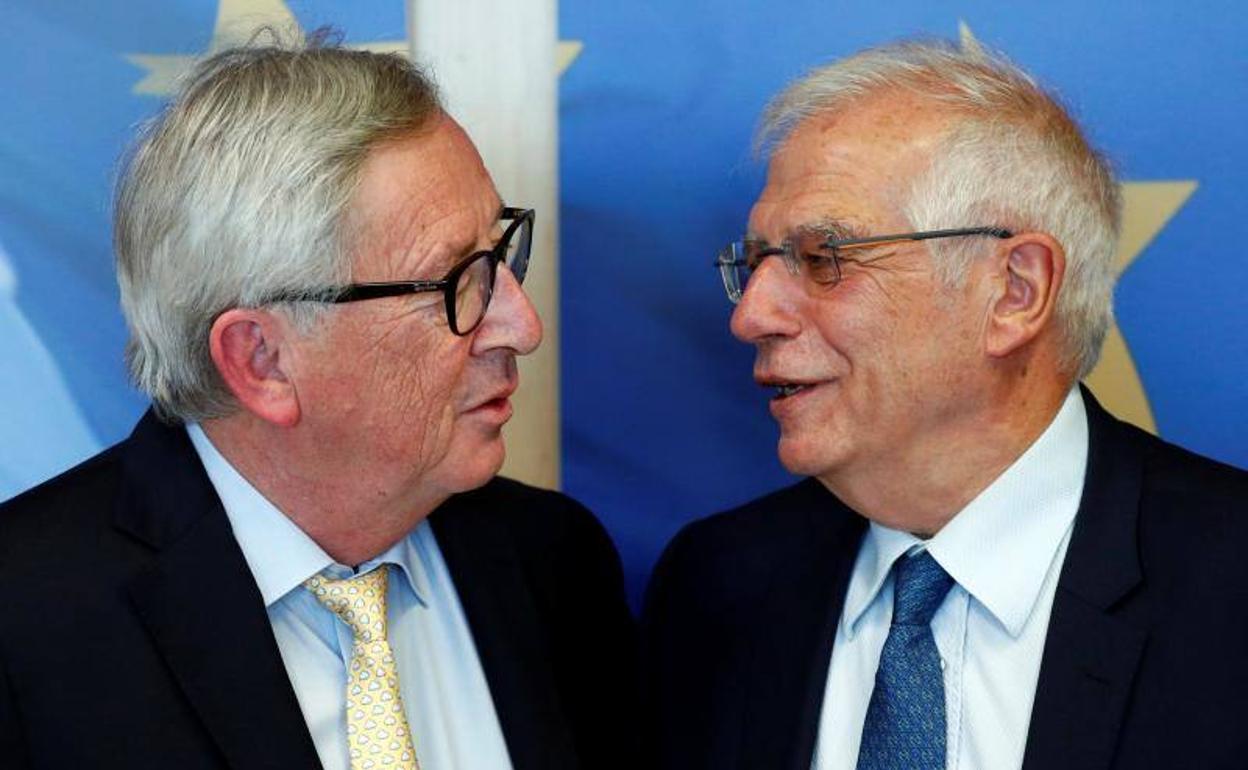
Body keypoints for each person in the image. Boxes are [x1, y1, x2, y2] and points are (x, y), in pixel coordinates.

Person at [0, 36, 637, 770]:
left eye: (499, 254)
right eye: (456, 283)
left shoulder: (553, 560)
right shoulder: (25, 624)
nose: (522, 327)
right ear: (261, 361)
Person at [643, 38, 1248, 770]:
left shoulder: (1228, 583)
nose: (752, 315)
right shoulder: (719, 584)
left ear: (1015, 292)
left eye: (823, 258)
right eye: (755, 262)